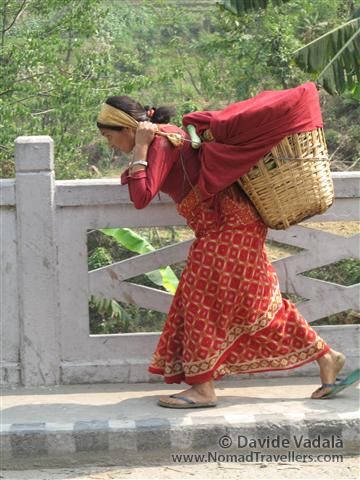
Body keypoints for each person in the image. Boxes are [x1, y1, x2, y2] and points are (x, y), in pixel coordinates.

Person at [97, 94, 348, 408]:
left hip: (227, 227)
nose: (109, 144)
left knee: (200, 300)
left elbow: (141, 195)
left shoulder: (159, 143)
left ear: (128, 128)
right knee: (255, 304)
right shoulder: (168, 136)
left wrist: (140, 149)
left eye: (109, 136)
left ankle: (203, 389)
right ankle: (327, 357)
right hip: (233, 224)